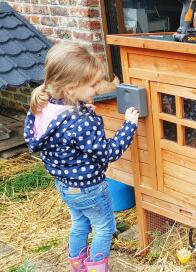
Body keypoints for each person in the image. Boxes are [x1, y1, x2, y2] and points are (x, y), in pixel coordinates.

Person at [23, 42, 139, 272]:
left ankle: (77, 265)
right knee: (104, 227)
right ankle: (96, 269)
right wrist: (129, 126)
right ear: (72, 88)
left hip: (65, 186)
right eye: (93, 85)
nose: (97, 89)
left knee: (80, 223)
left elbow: (65, 134)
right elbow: (109, 152)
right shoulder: (80, 122)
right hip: (89, 188)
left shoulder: (43, 106)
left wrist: (83, 109)